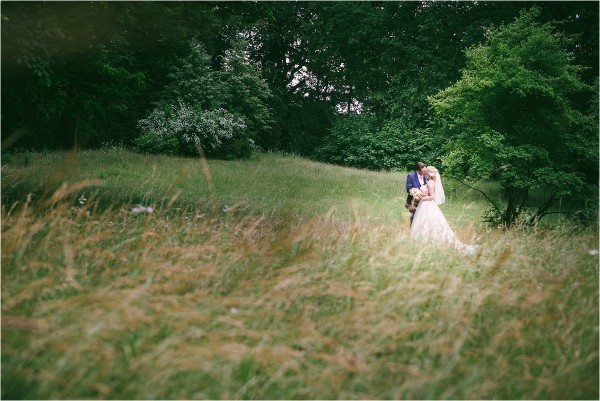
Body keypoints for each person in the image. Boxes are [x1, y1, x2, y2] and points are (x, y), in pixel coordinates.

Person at [410, 166, 478, 255]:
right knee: (426, 222)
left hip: (427, 205)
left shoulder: (430, 183)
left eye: (428, 172)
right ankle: (424, 242)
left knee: (428, 222)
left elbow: (432, 197)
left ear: (427, 173)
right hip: (424, 205)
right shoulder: (430, 182)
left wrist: (420, 197)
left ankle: (428, 241)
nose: (427, 173)